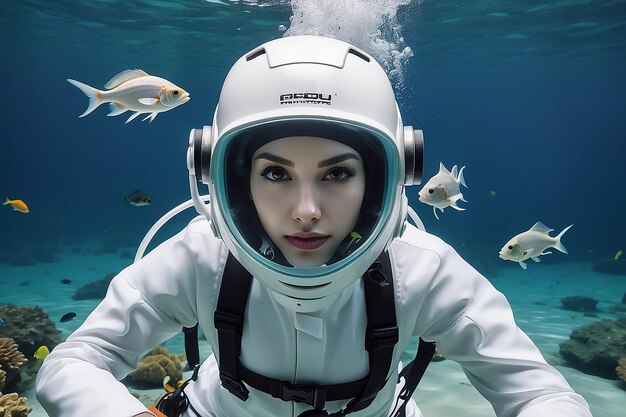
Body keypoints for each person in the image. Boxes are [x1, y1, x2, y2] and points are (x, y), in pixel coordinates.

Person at [35, 36, 592, 417]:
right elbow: (74, 363)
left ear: (387, 174)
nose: (306, 211)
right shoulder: (200, 255)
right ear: (221, 171)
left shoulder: (421, 268)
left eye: (338, 173)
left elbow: (539, 393)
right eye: (275, 172)